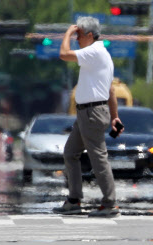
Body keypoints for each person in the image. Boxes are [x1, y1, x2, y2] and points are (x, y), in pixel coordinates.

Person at [52, 17, 123, 217]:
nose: (76, 39)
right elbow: (110, 91)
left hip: (92, 113)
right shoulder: (100, 55)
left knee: (98, 159)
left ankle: (110, 203)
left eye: (79, 35)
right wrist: (114, 116)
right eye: (74, 35)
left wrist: (66, 32)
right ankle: (74, 200)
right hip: (87, 113)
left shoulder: (95, 51)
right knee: (70, 153)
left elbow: (64, 54)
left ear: (90, 36)